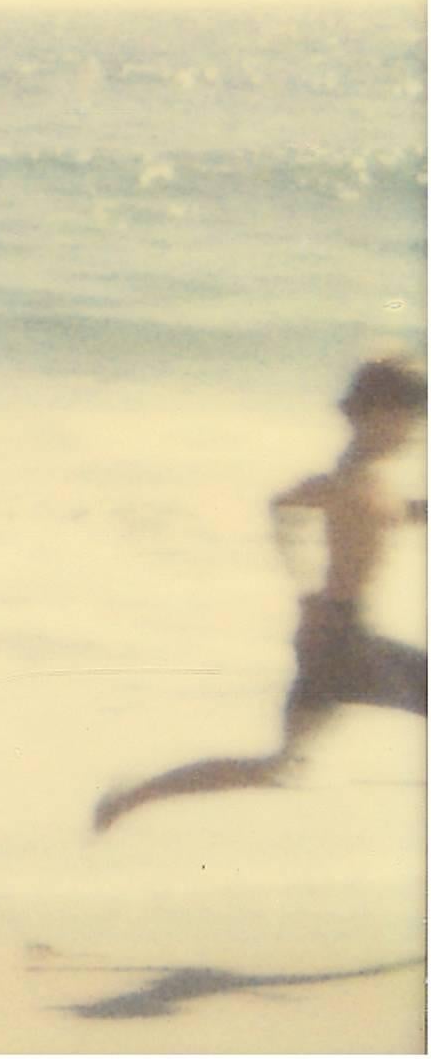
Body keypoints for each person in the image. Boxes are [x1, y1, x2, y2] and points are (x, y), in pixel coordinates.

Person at [93, 355, 427, 834]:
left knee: (278, 767)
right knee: (281, 766)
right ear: (377, 415)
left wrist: (306, 590)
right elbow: (316, 504)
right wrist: (305, 588)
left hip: (334, 638)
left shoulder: (362, 479)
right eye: (412, 417)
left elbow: (302, 506)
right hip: (343, 639)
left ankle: (132, 796)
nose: (416, 430)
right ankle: (132, 797)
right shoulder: (353, 481)